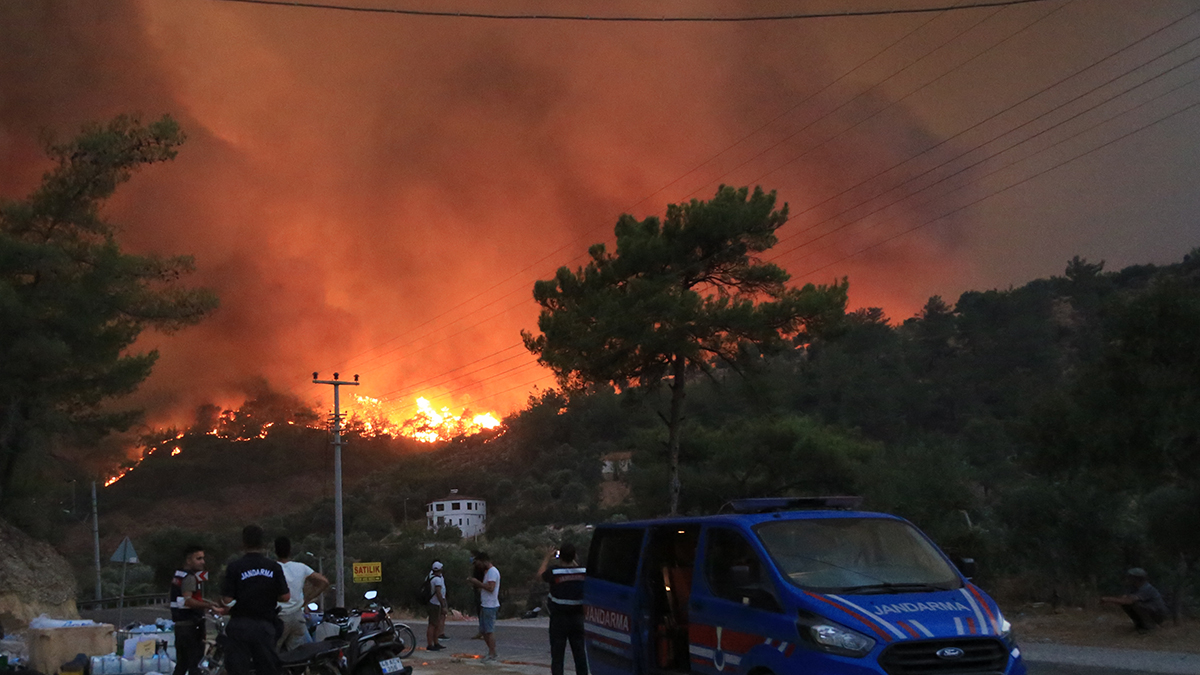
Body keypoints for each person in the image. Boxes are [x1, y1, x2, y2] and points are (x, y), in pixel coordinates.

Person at [222, 525, 290, 675]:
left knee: (238, 669)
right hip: (264, 626)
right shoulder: (273, 567)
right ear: (263, 543)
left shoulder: (234, 567)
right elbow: (285, 596)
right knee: (267, 668)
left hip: (240, 625)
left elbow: (227, 599)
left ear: (243, 543)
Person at [170, 545, 224, 675]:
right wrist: (209, 606)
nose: (203, 562)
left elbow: (185, 599)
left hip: (180, 627)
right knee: (196, 665)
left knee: (182, 664)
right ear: (189, 560)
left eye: (203, 558)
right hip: (191, 627)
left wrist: (208, 603)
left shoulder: (178, 575)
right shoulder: (190, 577)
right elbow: (188, 601)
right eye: (198, 558)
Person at [538, 544, 588, 675]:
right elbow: (575, 568)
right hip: (577, 618)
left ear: (560, 557)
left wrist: (547, 557)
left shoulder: (554, 572)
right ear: (574, 555)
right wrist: (573, 560)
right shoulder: (583, 571)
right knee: (580, 654)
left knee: (557, 656)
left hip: (559, 619)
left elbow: (540, 576)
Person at [274, 536, 329, 651]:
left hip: (279, 617)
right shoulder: (301, 567)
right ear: (290, 551)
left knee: (272, 653)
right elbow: (324, 582)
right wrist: (307, 599)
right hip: (297, 617)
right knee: (298, 654)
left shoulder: (271, 568)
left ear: (275, 551)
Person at [1101, 567, 1169, 631]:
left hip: (1158, 613)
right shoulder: (1133, 587)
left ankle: (1152, 626)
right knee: (1126, 605)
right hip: (1150, 610)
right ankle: (1140, 625)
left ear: (1137, 578)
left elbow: (1129, 601)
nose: (1128, 578)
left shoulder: (1147, 588)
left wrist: (1108, 599)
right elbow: (1124, 598)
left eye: (1131, 577)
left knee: (1136, 605)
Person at [466, 551, 500, 662]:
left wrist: (477, 583)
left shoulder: (492, 572)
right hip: (485, 604)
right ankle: (491, 651)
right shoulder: (488, 572)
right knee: (484, 630)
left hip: (490, 605)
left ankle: (492, 653)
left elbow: (491, 588)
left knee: (489, 630)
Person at [425, 561, 448, 651]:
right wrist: (443, 604)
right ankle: (430, 644)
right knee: (432, 624)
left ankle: (435, 642)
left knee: (436, 624)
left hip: (434, 603)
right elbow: (438, 593)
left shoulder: (431, 577)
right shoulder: (437, 580)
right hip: (435, 604)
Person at [470, 552, 486, 640]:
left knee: (483, 612)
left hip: (482, 590)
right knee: (479, 611)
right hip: (476, 589)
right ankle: (481, 631)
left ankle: (485, 632)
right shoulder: (475, 567)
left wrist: (481, 586)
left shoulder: (483, 568)